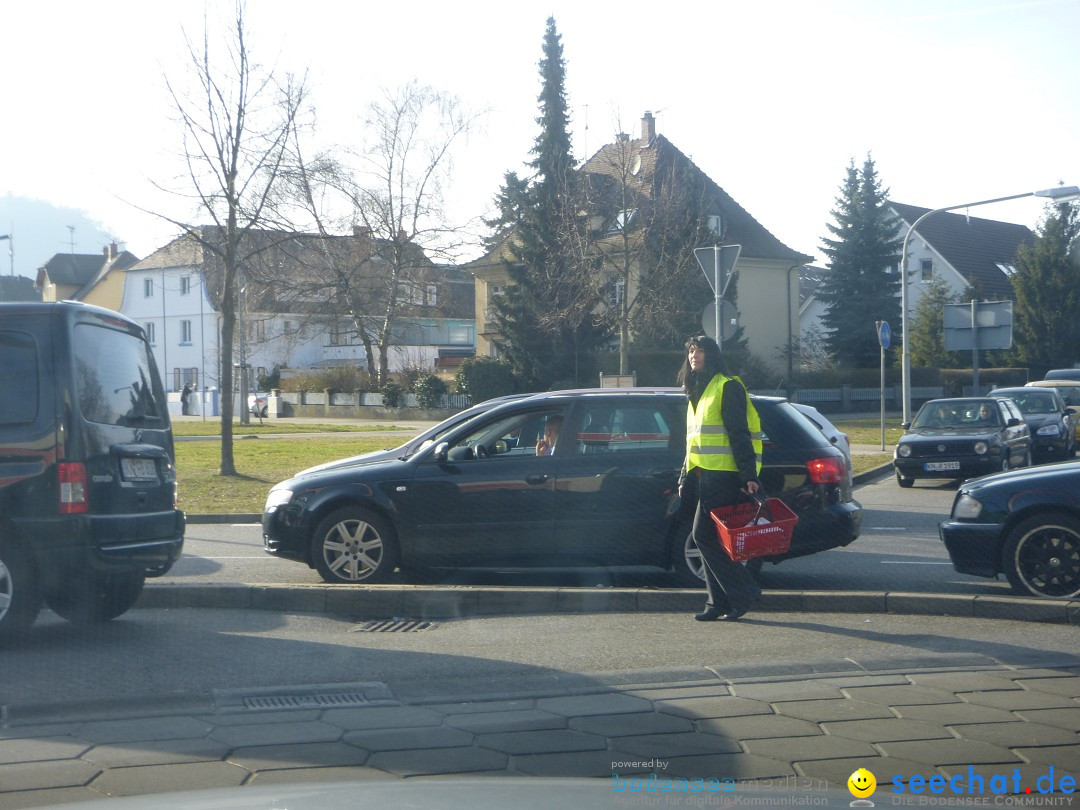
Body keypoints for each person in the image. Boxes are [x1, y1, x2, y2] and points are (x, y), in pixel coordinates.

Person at [677, 335, 763, 622]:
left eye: (700, 351)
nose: (694, 356)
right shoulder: (698, 389)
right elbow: (693, 441)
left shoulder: (727, 386)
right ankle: (718, 603)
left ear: (712, 355)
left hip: (724, 475)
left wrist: (748, 475)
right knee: (707, 538)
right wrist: (683, 475)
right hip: (704, 474)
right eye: (691, 351)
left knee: (703, 536)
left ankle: (742, 591)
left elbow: (739, 434)